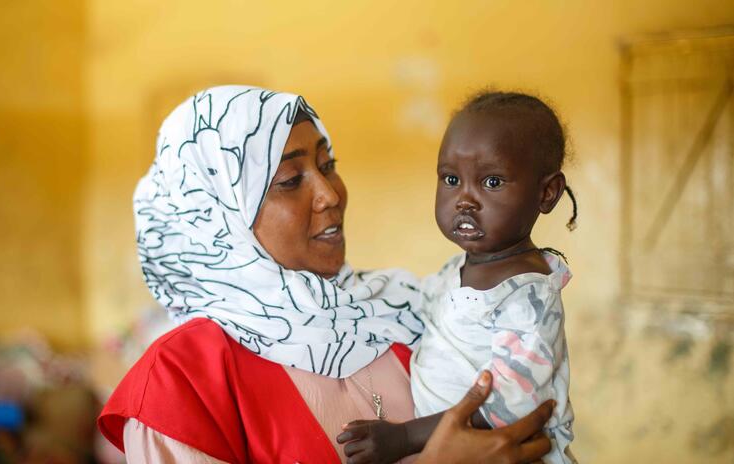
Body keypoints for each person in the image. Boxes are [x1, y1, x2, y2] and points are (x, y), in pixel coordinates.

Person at [97, 85, 554, 463]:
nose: (330, 194)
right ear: (217, 215)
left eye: (327, 165)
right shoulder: (182, 380)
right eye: (291, 181)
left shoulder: (400, 309)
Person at [338, 92, 578, 464]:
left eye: (492, 182)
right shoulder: (456, 271)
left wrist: (404, 437)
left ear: (547, 193)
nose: (464, 199)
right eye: (451, 178)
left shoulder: (529, 299)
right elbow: (412, 297)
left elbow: (508, 406)